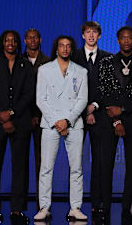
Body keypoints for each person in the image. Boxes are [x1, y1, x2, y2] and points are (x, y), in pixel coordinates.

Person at [93, 26, 132, 223]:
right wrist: (116, 118)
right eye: (123, 38)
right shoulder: (107, 62)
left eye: (129, 38)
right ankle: (105, 206)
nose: (126, 41)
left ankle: (127, 208)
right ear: (118, 40)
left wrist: (123, 110)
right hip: (108, 121)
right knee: (105, 164)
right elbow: (103, 91)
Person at [34, 36, 89, 222]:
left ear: (72, 49)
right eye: (61, 46)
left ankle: (75, 207)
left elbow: (82, 99)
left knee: (76, 168)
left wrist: (67, 120)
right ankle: (44, 207)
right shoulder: (44, 69)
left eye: (68, 46)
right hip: (50, 124)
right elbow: (40, 99)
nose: (64, 49)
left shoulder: (81, 71)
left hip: (73, 124)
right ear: (56, 48)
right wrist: (57, 121)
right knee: (46, 167)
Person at [0, 30, 35, 224]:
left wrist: (11, 114)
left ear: (18, 43)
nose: (11, 43)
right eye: (7, 40)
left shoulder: (26, 65)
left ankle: (17, 210)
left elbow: (28, 94)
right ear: (2, 42)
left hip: (20, 122)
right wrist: (2, 115)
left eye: (14, 40)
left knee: (20, 167)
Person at [74, 21, 111, 220]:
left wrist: (94, 106)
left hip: (100, 115)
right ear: (82, 35)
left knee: (100, 161)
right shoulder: (74, 56)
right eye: (87, 32)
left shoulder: (108, 58)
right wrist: (82, 108)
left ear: (99, 35)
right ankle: (75, 205)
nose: (91, 35)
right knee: (75, 162)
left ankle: (98, 203)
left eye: (94, 32)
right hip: (76, 115)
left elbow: (108, 87)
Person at [23, 28, 51, 197]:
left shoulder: (48, 62)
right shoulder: (18, 60)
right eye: (29, 38)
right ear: (25, 40)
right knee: (21, 162)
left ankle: (43, 204)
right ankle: (20, 205)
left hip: (43, 118)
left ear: (40, 40)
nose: (32, 40)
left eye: (35, 37)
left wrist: (39, 115)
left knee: (43, 163)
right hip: (22, 116)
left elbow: (50, 92)